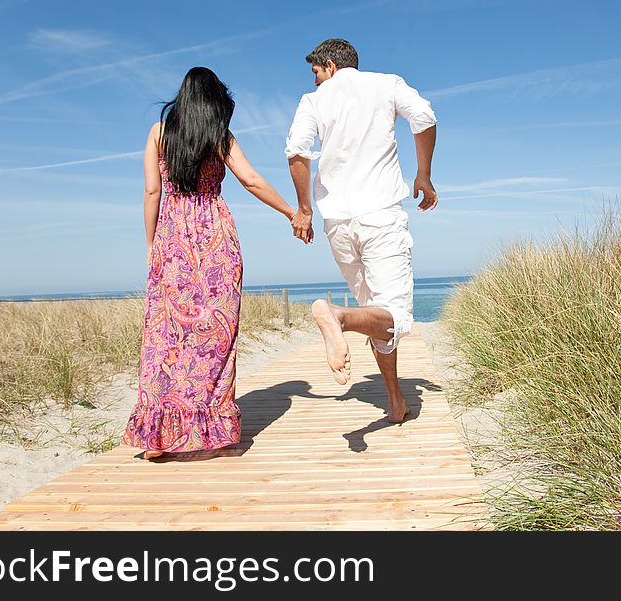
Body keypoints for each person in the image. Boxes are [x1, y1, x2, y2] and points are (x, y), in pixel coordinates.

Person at [123, 67, 296, 460]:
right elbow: (250, 180)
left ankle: (160, 437)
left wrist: (152, 244)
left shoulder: (158, 133)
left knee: (166, 336)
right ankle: (206, 429)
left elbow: (152, 191)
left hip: (172, 236)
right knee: (216, 335)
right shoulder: (219, 136)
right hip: (215, 236)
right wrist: (290, 212)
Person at [285, 39, 438, 424]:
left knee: (377, 313)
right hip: (381, 216)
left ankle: (395, 400)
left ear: (331, 65)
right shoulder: (386, 84)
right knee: (394, 315)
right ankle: (338, 316)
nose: (316, 81)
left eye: (317, 72)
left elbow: (296, 151)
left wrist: (304, 208)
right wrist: (424, 175)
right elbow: (424, 117)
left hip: (337, 223)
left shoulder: (312, 102)